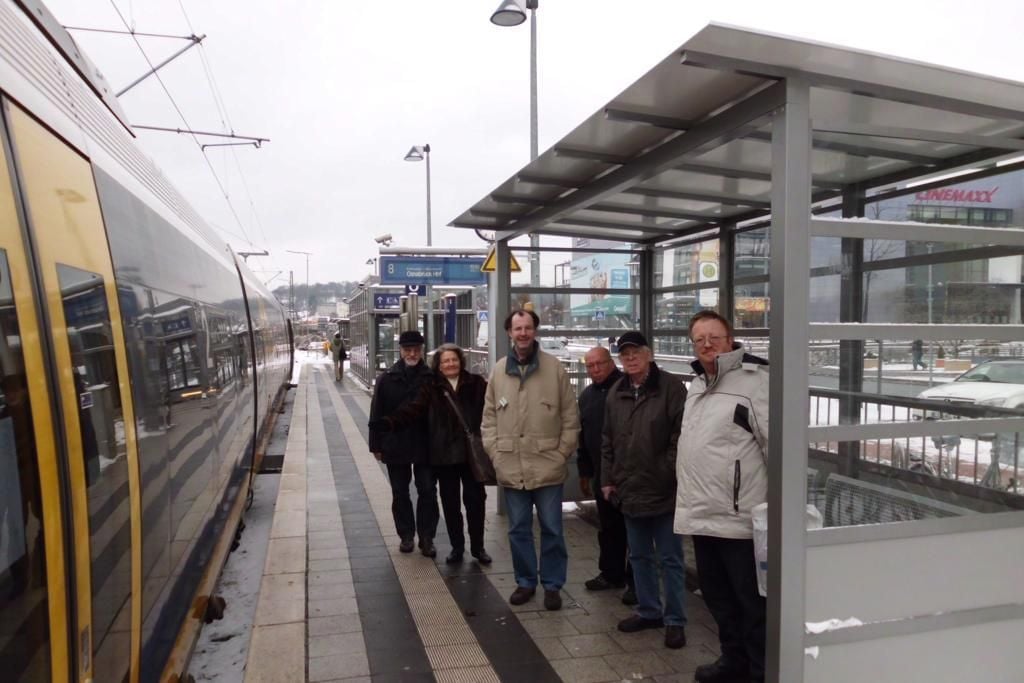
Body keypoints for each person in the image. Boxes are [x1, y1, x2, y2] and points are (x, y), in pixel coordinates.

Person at [675, 310, 769, 683]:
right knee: (718, 598)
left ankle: (762, 670)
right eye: (699, 339)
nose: (707, 344)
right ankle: (734, 661)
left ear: (731, 340)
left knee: (752, 605)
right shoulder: (699, 384)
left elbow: (775, 447)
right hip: (702, 514)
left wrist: (778, 511)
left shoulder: (757, 382)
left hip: (740, 520)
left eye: (714, 336)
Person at [482, 309, 579, 611]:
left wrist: (561, 453)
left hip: (548, 466)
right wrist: (496, 454)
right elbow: (488, 419)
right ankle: (525, 582)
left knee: (552, 528)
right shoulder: (499, 370)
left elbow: (571, 418)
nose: (523, 333)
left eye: (528, 328)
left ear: (535, 331)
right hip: (511, 466)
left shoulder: (554, 369)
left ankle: (552, 585)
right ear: (509, 333)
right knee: (518, 529)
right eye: (517, 328)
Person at [601, 331, 687, 650]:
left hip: (664, 488)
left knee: (670, 558)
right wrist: (608, 479)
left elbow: (682, 436)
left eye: (636, 352)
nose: (630, 359)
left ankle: (675, 620)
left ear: (649, 354)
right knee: (638, 556)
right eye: (624, 355)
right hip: (629, 488)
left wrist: (667, 469)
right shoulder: (616, 392)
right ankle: (650, 611)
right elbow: (607, 439)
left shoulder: (671, 388)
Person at [371, 343, 492, 565]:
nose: (450, 364)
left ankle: (478, 547)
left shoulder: (477, 384)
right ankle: (457, 548)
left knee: (476, 502)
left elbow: (490, 412)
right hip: (445, 455)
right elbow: (413, 409)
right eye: (445, 361)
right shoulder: (433, 386)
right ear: (439, 365)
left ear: (461, 361)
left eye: (454, 360)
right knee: (450, 504)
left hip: (471, 456)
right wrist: (388, 423)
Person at [368, 330, 439, 556]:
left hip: (425, 444)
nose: (412, 354)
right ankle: (406, 535)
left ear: (421, 350)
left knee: (427, 490)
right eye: (408, 350)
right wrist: (375, 445)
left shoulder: (431, 377)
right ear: (401, 351)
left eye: (416, 350)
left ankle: (426, 537)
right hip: (395, 444)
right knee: (400, 492)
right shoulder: (387, 378)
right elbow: (376, 413)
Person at [576, 346, 636, 605]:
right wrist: (585, 472)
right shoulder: (587, 395)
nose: (595, 369)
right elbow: (584, 436)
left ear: (611, 363)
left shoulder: (627, 389)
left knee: (634, 531)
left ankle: (636, 582)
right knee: (608, 527)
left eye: (600, 364)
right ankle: (611, 573)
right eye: (590, 366)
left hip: (629, 473)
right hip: (602, 474)